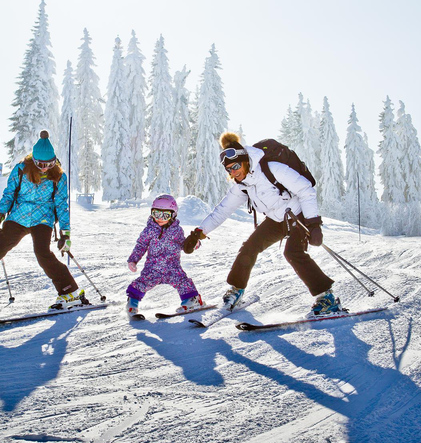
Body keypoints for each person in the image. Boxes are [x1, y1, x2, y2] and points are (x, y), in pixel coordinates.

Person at [183, 132, 340, 316]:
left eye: (235, 166)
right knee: (250, 247)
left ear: (245, 161)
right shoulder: (242, 185)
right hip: (276, 219)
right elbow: (222, 211)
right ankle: (237, 290)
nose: (233, 172)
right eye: (229, 169)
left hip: (298, 215)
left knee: (293, 252)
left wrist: (314, 224)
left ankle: (327, 298)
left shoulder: (272, 168)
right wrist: (198, 233)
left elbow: (306, 189)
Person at [0, 130, 85, 316]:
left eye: (49, 164)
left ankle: (70, 293)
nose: (44, 168)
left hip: (43, 218)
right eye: (41, 164)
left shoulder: (59, 176)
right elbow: (9, 194)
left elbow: (61, 205)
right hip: (19, 216)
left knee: (43, 253)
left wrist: (65, 234)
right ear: (33, 161)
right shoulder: (20, 170)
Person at [125, 194, 204, 317]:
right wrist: (133, 260)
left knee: (183, 282)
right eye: (156, 214)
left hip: (173, 267)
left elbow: (184, 245)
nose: (160, 218)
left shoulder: (177, 231)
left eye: (165, 215)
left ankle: (192, 300)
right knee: (142, 283)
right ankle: (132, 303)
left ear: (173, 215)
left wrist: (194, 244)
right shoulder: (149, 230)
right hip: (153, 268)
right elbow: (141, 245)